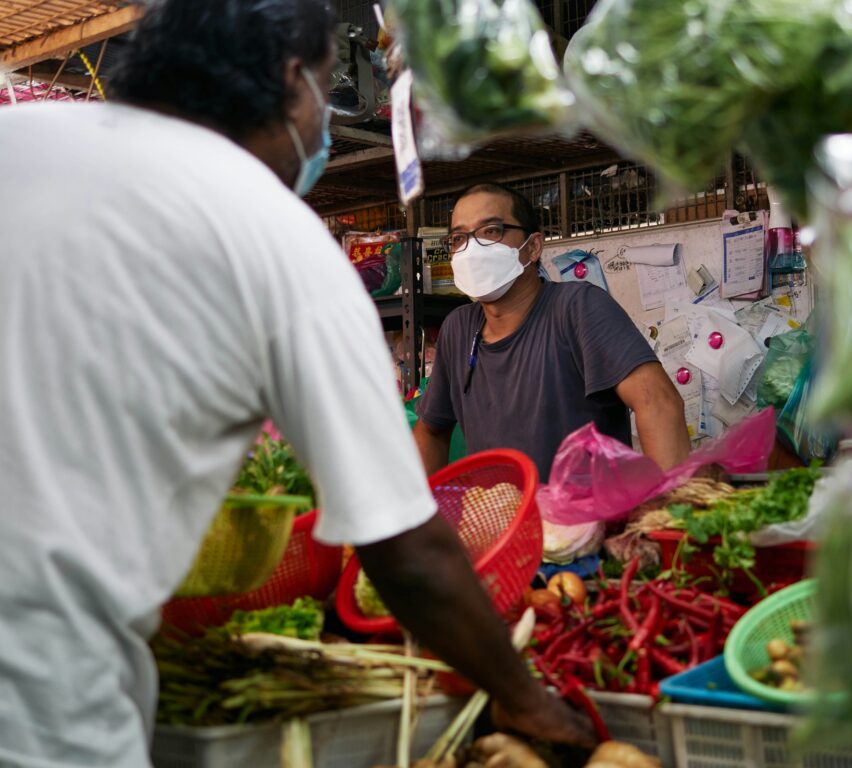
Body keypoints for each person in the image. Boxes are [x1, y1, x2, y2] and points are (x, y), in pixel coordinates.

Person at [0, 2, 593, 765]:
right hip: (41, 701)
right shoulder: (274, 236)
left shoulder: (19, 140)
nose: (322, 128)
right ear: (289, 83)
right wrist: (527, 702)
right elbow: (405, 551)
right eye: (324, 90)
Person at [414, 184, 692, 481]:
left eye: (490, 231)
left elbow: (658, 403)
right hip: (504, 522)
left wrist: (669, 513)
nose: (472, 250)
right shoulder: (458, 329)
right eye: (459, 238)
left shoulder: (578, 308)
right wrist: (420, 520)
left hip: (589, 522)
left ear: (533, 247)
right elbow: (431, 430)